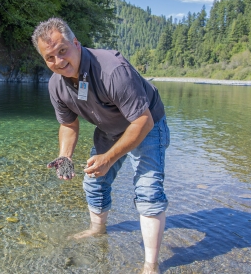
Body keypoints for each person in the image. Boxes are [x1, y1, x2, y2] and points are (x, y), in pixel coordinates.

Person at [32, 18, 170, 274]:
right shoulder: (56, 85)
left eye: (63, 51)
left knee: (148, 190)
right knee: (94, 180)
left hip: (147, 123)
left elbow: (143, 120)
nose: (59, 62)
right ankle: (98, 229)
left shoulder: (112, 70)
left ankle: (150, 265)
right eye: (50, 57)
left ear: (76, 43)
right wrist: (65, 156)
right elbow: (69, 125)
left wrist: (109, 158)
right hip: (109, 128)